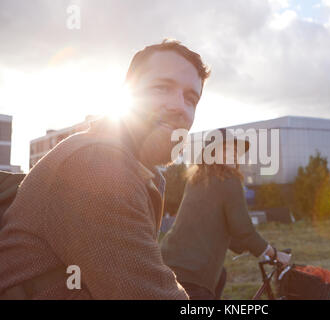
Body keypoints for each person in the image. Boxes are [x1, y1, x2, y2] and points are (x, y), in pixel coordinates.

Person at [0, 39, 209, 299]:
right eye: (161, 87)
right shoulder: (98, 165)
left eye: (191, 98)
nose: (180, 106)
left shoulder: (139, 171)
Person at [161, 129, 291, 300]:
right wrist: (274, 253)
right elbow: (243, 229)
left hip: (165, 263)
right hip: (193, 276)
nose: (235, 154)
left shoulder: (196, 180)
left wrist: (247, 245)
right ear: (212, 153)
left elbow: (213, 225)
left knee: (220, 275)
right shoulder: (229, 180)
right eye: (227, 149)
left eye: (236, 150)